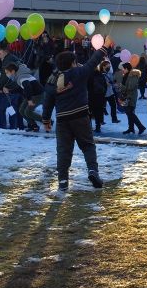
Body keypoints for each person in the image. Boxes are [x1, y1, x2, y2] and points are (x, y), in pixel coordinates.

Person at [41, 49, 105, 191]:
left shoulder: (52, 79)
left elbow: (48, 101)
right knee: (88, 145)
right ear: (73, 63)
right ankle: (93, 171)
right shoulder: (78, 73)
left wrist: (46, 120)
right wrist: (103, 49)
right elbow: (93, 62)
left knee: (63, 151)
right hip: (80, 116)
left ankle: (63, 181)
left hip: (62, 120)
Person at [119, 62, 146, 135]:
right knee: (129, 113)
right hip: (126, 96)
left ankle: (141, 127)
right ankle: (131, 128)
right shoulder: (126, 75)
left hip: (131, 97)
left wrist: (121, 86)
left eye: (123, 69)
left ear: (127, 69)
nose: (122, 70)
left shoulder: (133, 75)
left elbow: (131, 87)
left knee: (130, 113)